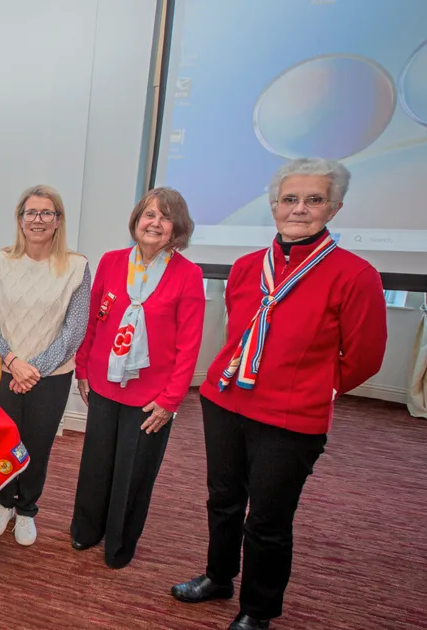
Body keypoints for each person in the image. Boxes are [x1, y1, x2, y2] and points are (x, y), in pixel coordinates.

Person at [171, 158, 388, 630]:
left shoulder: (356, 274)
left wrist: (310, 388)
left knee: (267, 520)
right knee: (222, 500)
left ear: (334, 207)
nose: (300, 209)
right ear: (274, 206)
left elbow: (365, 357)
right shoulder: (249, 267)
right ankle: (218, 576)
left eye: (314, 200)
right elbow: (236, 331)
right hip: (225, 401)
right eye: (290, 199)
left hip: (292, 419)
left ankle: (258, 610)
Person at [69, 187, 205, 568]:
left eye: (165, 217)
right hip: (103, 382)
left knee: (134, 472)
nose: (154, 223)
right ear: (136, 220)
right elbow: (93, 320)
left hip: (152, 396)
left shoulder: (188, 275)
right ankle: (85, 531)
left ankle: (119, 544)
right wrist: (82, 368)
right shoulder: (112, 262)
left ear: (177, 228)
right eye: (148, 214)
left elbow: (188, 345)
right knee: (96, 462)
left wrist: (171, 400)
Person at [0, 184, 91, 546]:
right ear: (20, 219)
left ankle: (26, 509)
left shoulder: (77, 267)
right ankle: (3, 502)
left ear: (58, 221)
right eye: (31, 213)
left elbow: (74, 331)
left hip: (51, 377)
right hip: (4, 371)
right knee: (4, 442)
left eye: (46, 213)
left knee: (37, 445)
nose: (38, 219)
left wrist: (33, 369)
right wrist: (12, 361)